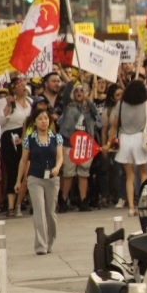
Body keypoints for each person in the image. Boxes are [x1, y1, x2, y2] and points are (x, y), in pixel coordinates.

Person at [15, 108, 63, 255]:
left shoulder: (56, 137)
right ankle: (40, 245)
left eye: (46, 118)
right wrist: (19, 181)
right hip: (35, 178)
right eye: (40, 119)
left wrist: (57, 167)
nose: (44, 121)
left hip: (52, 179)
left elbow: (60, 157)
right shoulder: (29, 139)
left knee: (50, 212)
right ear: (35, 122)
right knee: (39, 211)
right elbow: (23, 161)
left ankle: (50, 241)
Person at [108, 80, 147, 217]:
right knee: (143, 174)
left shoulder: (121, 103)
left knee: (129, 176)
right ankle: (143, 203)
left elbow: (115, 124)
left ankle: (131, 207)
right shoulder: (145, 104)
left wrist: (109, 142)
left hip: (124, 139)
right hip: (139, 139)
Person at [58, 80, 99, 212]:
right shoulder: (68, 105)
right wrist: (73, 80)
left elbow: (96, 115)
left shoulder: (89, 107)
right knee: (68, 173)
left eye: (82, 90)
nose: (79, 93)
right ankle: (63, 200)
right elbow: (64, 95)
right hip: (70, 143)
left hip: (85, 144)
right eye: (76, 91)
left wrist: (89, 101)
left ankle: (83, 201)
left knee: (83, 173)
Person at [0, 78, 32, 217]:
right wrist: (9, 106)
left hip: (26, 135)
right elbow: (0, 121)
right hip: (11, 136)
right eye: (20, 85)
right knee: (13, 169)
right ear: (13, 88)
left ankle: (21, 201)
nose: (23, 87)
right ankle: (11, 205)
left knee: (25, 169)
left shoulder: (29, 102)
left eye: (24, 84)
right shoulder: (5, 102)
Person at [101, 84, 126, 207]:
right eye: (117, 95)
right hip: (114, 144)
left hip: (127, 142)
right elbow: (105, 131)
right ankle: (120, 196)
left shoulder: (128, 108)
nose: (120, 97)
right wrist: (105, 146)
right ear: (112, 98)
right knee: (117, 170)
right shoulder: (108, 111)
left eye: (122, 94)